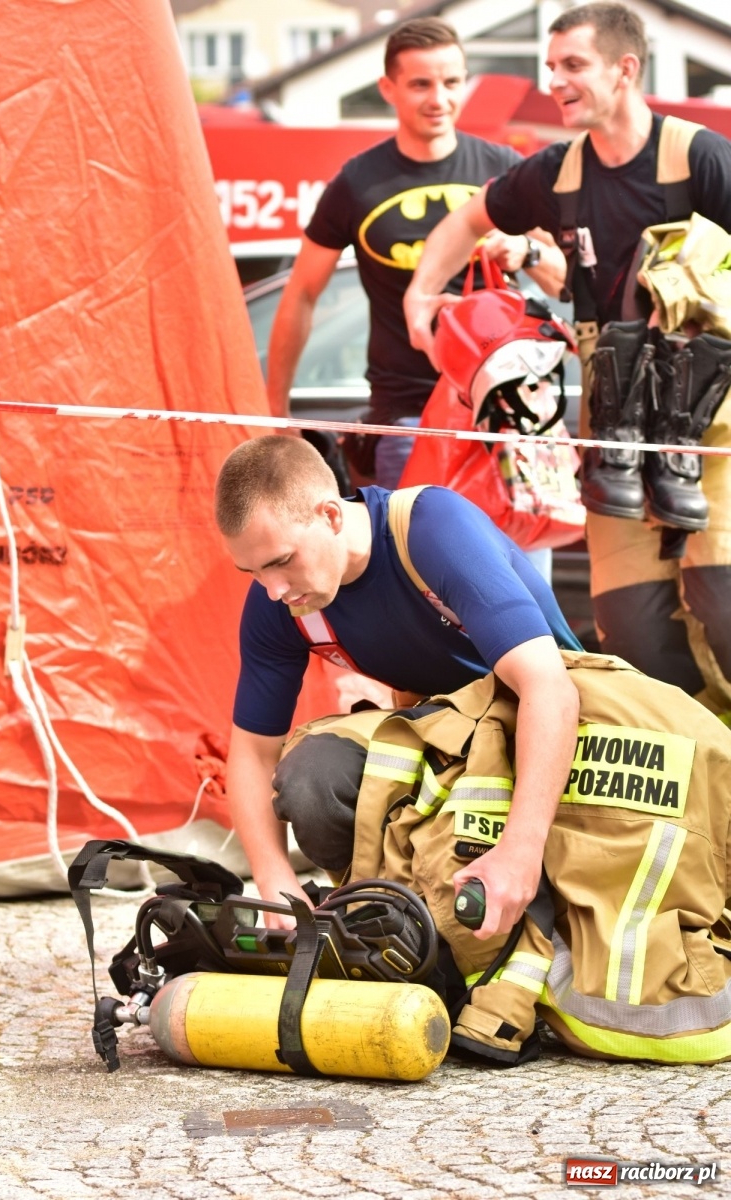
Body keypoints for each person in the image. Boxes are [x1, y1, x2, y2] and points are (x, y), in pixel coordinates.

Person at [404, 1, 731, 717]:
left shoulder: (699, 156)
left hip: (707, 425)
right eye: (551, 67)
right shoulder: (555, 173)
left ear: (625, 69)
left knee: (726, 612)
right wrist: (421, 296)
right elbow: (467, 218)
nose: (556, 81)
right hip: (609, 429)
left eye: (573, 66)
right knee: (637, 635)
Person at [215, 435, 581, 940]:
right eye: (251, 571)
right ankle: (391, 925)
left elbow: (551, 689)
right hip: (451, 739)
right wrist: (275, 878)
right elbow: (253, 753)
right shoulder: (280, 606)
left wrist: (522, 850)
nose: (273, 589)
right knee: (311, 777)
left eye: (280, 561)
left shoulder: (432, 529)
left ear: (331, 516)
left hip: (551, 730)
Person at [265, 16, 565, 492]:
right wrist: (275, 411)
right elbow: (301, 292)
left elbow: (564, 279)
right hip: (409, 413)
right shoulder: (358, 183)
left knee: (523, 561)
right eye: (421, 84)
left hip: (511, 405)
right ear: (388, 87)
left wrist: (526, 249)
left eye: (451, 82)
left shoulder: (504, 169)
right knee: (416, 560)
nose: (439, 99)